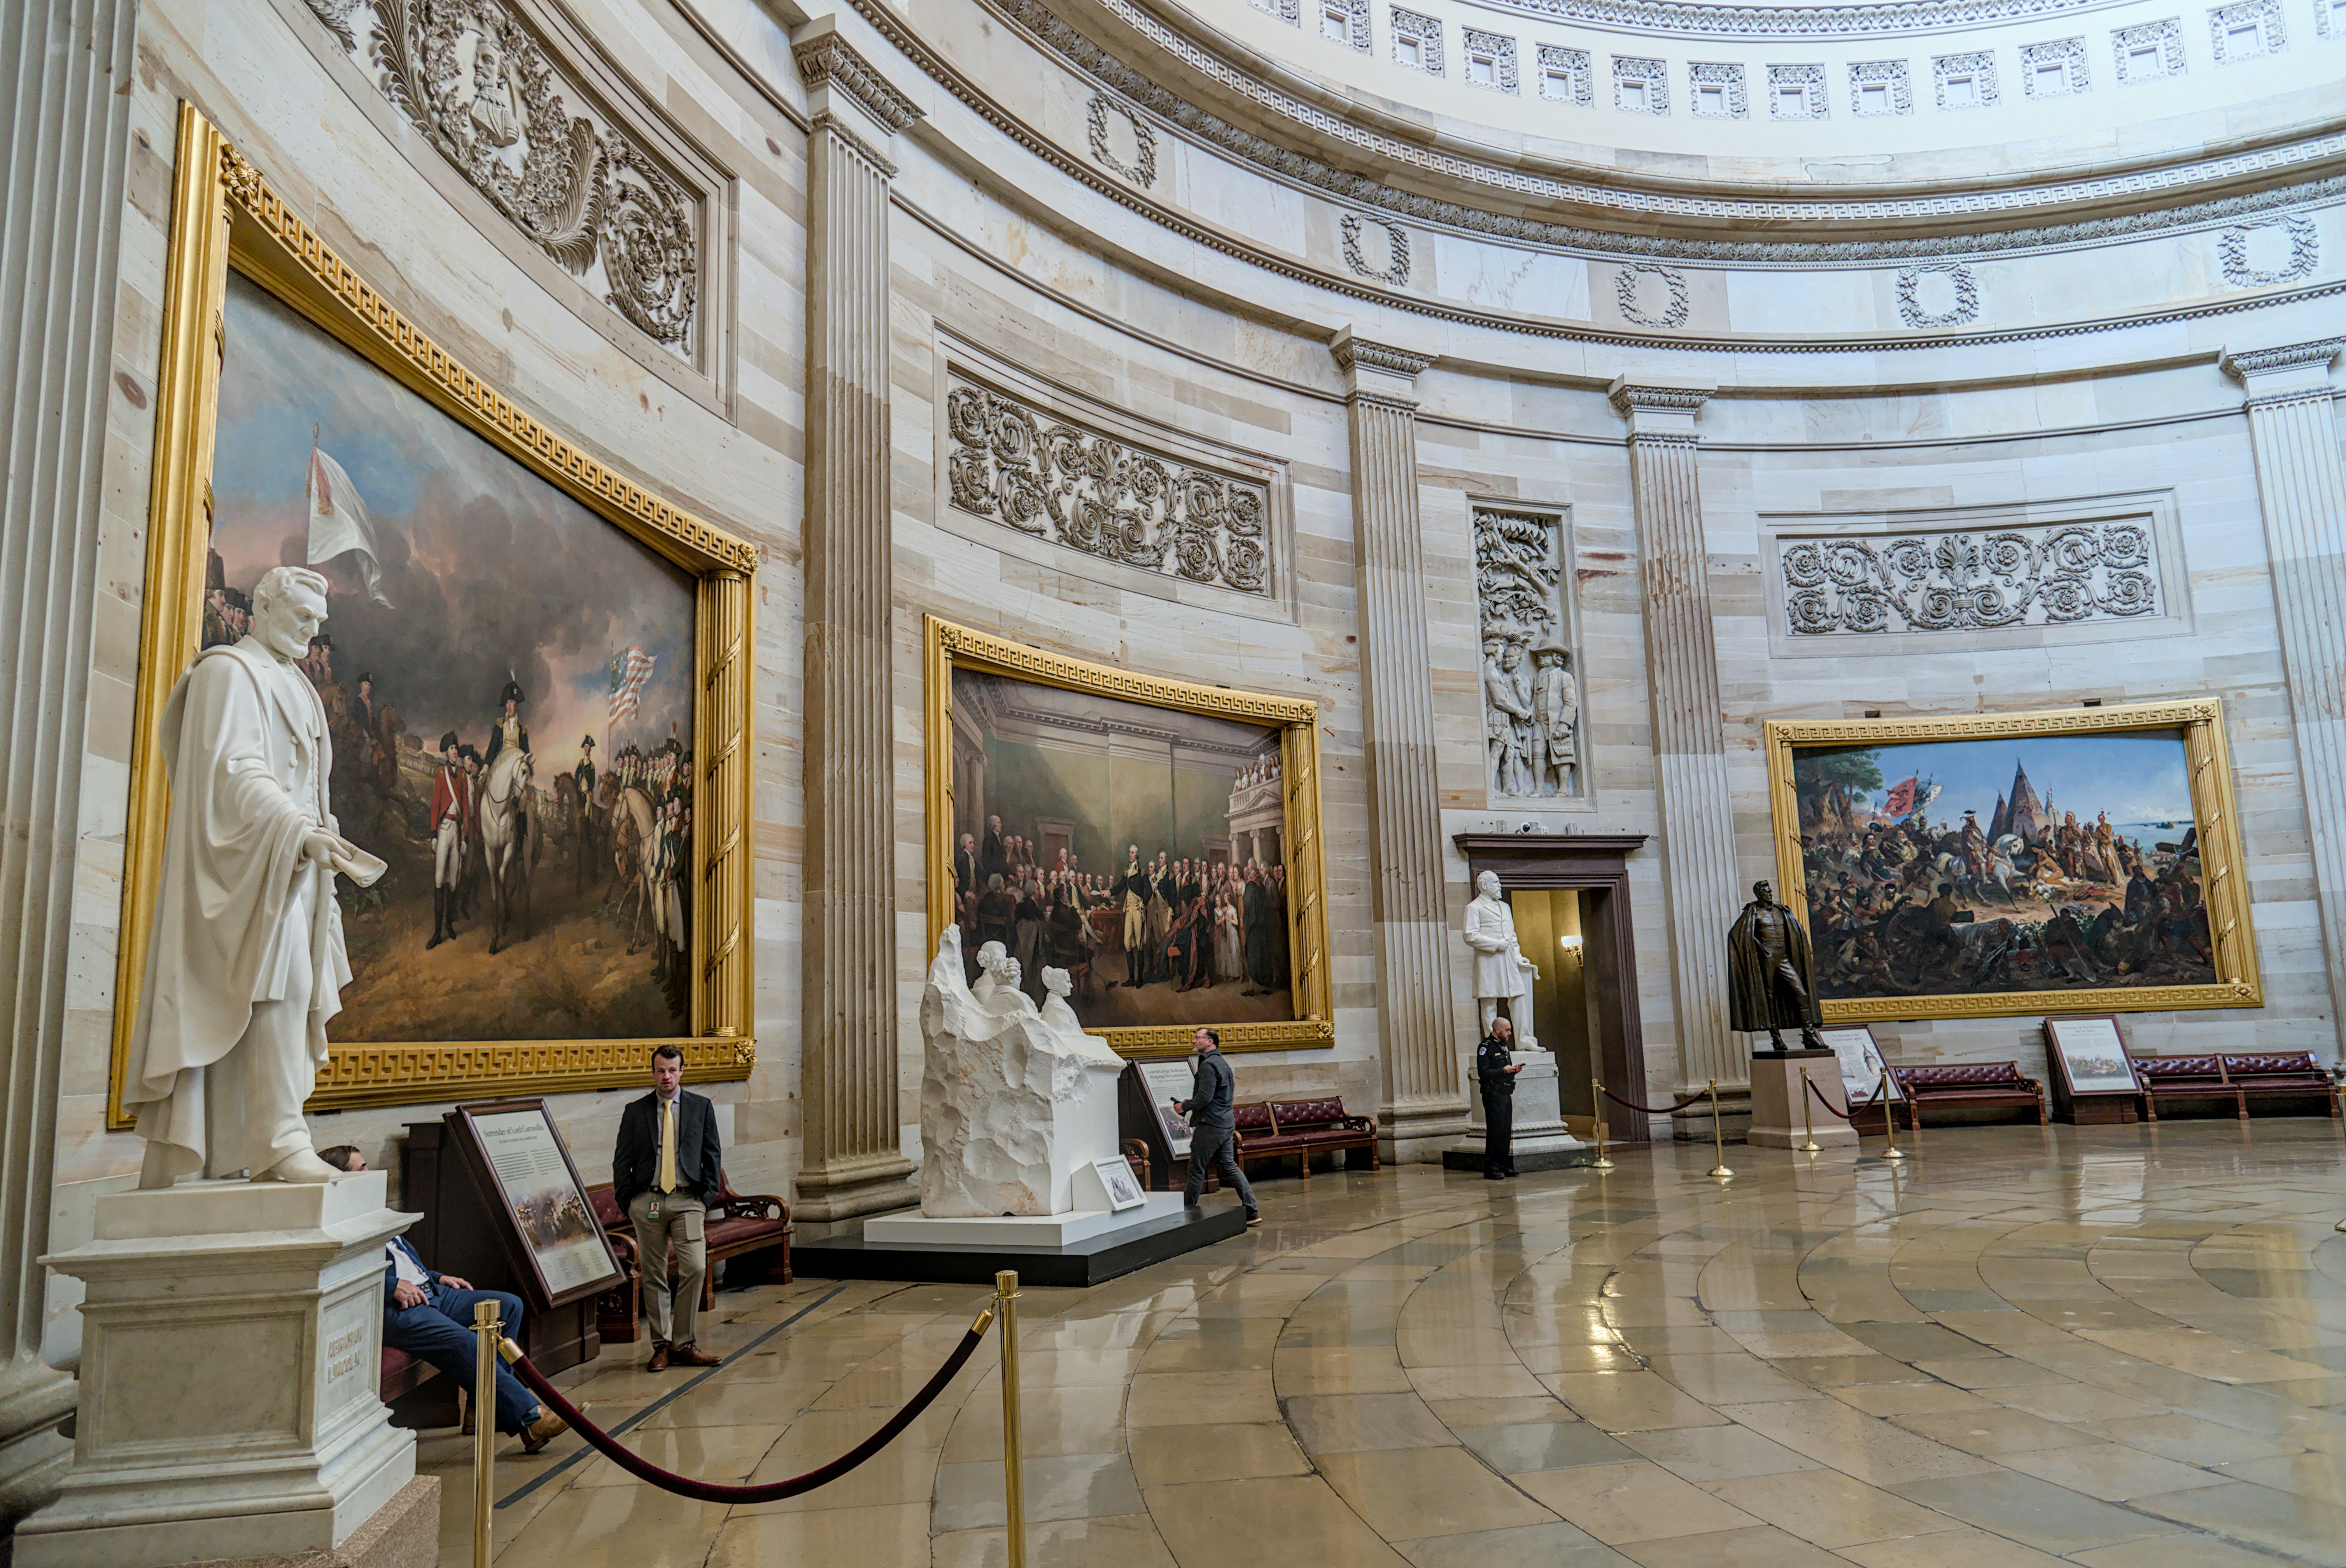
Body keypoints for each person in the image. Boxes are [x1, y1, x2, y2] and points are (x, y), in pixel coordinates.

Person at [123, 565, 360, 1187]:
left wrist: (318, 841)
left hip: (295, 870)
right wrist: (297, 830)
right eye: (302, 617)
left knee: (291, 993)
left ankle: (274, 1135)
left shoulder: (299, 687)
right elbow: (233, 773)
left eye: (318, 622)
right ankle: (280, 1142)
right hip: (252, 864)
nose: (313, 631)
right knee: (276, 994)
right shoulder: (229, 672)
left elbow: (313, 783)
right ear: (263, 607)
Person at [381, 1231, 568, 1453]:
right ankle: (529, 1419)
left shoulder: (376, 1215)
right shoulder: (343, 1216)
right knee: (467, 1341)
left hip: (433, 1292)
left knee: (507, 1307)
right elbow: (338, 1277)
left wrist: (436, 1278)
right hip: (400, 1309)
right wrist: (391, 1287)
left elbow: (403, 1265)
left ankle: (482, 1412)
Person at [612, 1045, 723, 1370]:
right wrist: (629, 1202)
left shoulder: (701, 1108)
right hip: (649, 1202)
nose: (666, 1077)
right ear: (653, 1073)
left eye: (672, 1070)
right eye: (661, 1070)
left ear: (682, 1071)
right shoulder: (636, 1111)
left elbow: (712, 1155)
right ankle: (661, 1346)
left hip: (688, 1200)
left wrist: (705, 1198)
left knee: (696, 1268)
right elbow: (623, 1160)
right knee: (655, 1273)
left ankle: (684, 1343)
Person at [1174, 1028, 1260, 1226]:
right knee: (1230, 1167)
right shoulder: (1221, 1064)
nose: (1194, 1042)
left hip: (1210, 1126)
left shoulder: (1208, 1065)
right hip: (1225, 1124)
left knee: (1196, 1169)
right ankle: (1252, 1211)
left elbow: (1205, 1098)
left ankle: (1187, 1214)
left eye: (1198, 1038)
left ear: (1210, 1042)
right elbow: (1215, 1097)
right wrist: (1193, 1101)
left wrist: (1183, 1107)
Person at [428, 731, 474, 950]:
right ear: (446, 753)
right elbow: (436, 804)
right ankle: (437, 932)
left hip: (456, 831)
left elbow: (465, 807)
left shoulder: (464, 776)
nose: (455, 752)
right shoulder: (440, 773)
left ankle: (449, 925)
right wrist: (434, 834)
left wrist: (464, 836)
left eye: (456, 749)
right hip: (444, 829)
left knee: (453, 882)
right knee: (439, 879)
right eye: (452, 749)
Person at [1476, 1015, 1525, 1180]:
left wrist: (1513, 1070)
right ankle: (1491, 1167)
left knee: (1505, 1132)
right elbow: (1484, 1074)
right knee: (1495, 1131)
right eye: (1507, 1030)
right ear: (1498, 1030)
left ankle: (1503, 1165)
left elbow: (1504, 1069)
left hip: (1505, 1093)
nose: (1510, 1033)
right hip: (1494, 1094)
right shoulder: (1486, 1047)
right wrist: (1504, 1071)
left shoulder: (1503, 1046)